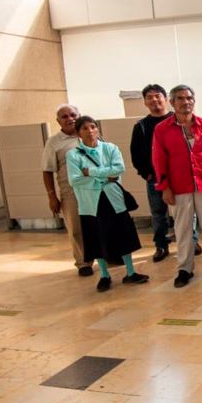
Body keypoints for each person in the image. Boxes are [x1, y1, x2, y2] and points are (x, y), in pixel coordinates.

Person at [152, 85, 202, 288]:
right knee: (183, 228)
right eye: (180, 98)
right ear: (172, 102)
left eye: (189, 98)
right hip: (178, 187)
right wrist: (165, 187)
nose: (185, 102)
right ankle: (184, 269)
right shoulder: (162, 130)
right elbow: (159, 160)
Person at [67, 116, 148, 292]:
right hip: (91, 202)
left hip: (114, 198)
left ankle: (131, 272)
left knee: (123, 234)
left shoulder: (110, 148)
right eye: (84, 128)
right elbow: (75, 180)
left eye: (92, 127)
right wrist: (105, 177)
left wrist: (91, 172)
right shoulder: (73, 155)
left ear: (97, 129)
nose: (89, 131)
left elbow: (119, 169)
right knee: (96, 237)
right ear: (78, 133)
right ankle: (104, 275)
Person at [129, 84, 200, 263]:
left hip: (181, 177)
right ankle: (161, 245)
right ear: (145, 102)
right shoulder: (142, 126)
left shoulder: (179, 119)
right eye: (149, 97)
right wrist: (147, 174)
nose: (154, 100)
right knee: (158, 213)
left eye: (157, 96)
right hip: (155, 178)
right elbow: (135, 154)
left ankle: (193, 241)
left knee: (188, 211)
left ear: (166, 99)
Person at [41, 104, 89, 276]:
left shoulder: (89, 133)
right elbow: (47, 170)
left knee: (99, 224)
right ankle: (84, 263)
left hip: (95, 190)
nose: (70, 119)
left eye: (73, 114)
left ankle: (107, 257)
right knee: (76, 229)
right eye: (65, 116)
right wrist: (51, 196)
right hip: (71, 192)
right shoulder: (53, 142)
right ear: (58, 121)